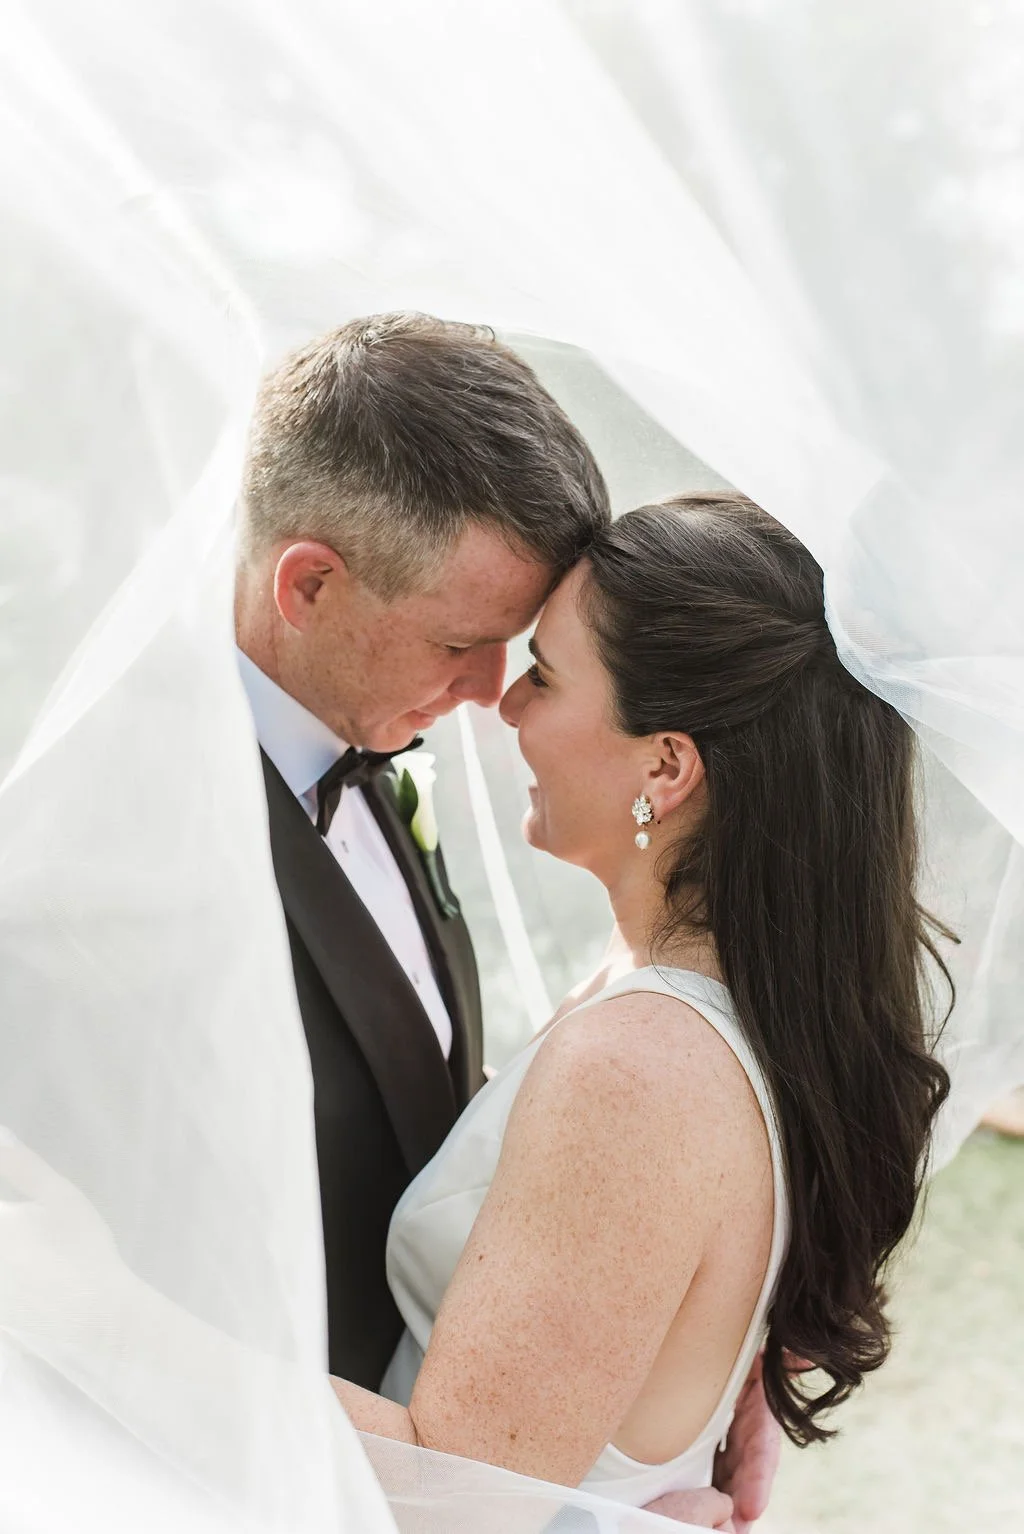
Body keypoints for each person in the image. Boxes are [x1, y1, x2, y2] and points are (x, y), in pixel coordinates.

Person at [329, 492, 952, 1511]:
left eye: (545, 672)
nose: (507, 703)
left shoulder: (639, 1072)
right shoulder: (712, 1002)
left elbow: (452, 1498)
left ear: (665, 765)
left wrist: (101, 1315)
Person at [234, 315, 751, 1527]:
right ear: (307, 582)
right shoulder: (129, 839)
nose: (488, 700)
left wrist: (673, 1364)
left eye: (524, 658)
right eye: (463, 645)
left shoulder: (375, 746)